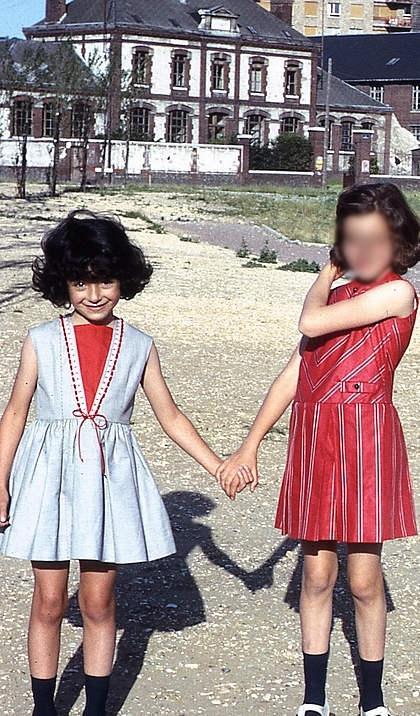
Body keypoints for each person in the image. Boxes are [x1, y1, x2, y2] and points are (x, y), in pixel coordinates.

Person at [218, 183, 420, 716]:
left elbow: (308, 322)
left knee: (363, 580)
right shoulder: (337, 297)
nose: (362, 250)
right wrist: (249, 446)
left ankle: (372, 700)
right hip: (315, 440)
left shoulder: (396, 293)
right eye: (352, 237)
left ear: (397, 240)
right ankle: (314, 699)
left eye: (375, 239)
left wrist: (323, 272)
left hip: (366, 437)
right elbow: (292, 375)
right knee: (316, 574)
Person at [0, 210, 224, 716]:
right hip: (48, 479)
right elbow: (14, 412)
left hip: (107, 480)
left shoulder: (140, 345)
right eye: (80, 282)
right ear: (62, 282)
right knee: (49, 601)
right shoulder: (40, 339)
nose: (94, 294)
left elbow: (169, 414)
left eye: (105, 280)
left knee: (99, 604)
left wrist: (218, 465)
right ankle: (44, 707)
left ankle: (97, 709)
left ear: (124, 278)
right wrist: (0, 483)